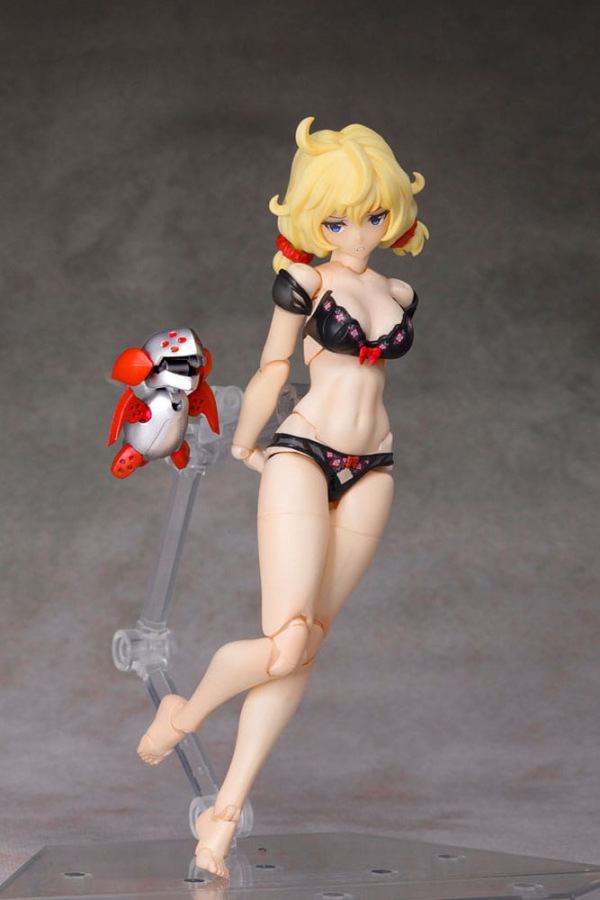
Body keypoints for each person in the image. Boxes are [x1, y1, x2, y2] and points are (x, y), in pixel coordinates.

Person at [137, 116, 428, 878]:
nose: (357, 233)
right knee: (286, 642)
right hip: (303, 452)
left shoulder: (398, 291)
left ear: (392, 211)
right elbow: (274, 366)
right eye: (337, 220)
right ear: (312, 219)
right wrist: (243, 443)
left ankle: (224, 815)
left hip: (374, 467)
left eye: (372, 215)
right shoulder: (307, 283)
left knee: (306, 648)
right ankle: (187, 713)